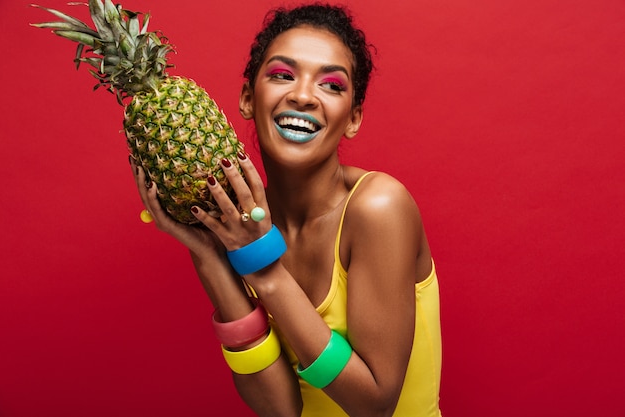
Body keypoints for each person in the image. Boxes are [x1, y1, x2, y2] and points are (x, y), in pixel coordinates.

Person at [130, 4, 442, 416]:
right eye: (281, 75)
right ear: (246, 97)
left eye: (331, 85)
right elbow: (281, 409)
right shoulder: (242, 227)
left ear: (353, 118)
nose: (302, 95)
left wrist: (264, 270)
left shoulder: (378, 207)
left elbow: (374, 404)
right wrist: (209, 257)